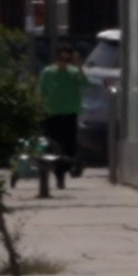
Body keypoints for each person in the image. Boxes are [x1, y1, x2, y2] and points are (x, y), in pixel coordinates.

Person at [37, 44, 88, 184]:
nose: (63, 62)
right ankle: (57, 171)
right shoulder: (48, 72)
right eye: (60, 58)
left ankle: (66, 168)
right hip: (52, 113)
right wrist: (39, 107)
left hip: (69, 112)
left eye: (66, 59)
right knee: (52, 144)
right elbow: (42, 90)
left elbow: (85, 83)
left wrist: (79, 66)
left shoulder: (73, 72)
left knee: (69, 144)